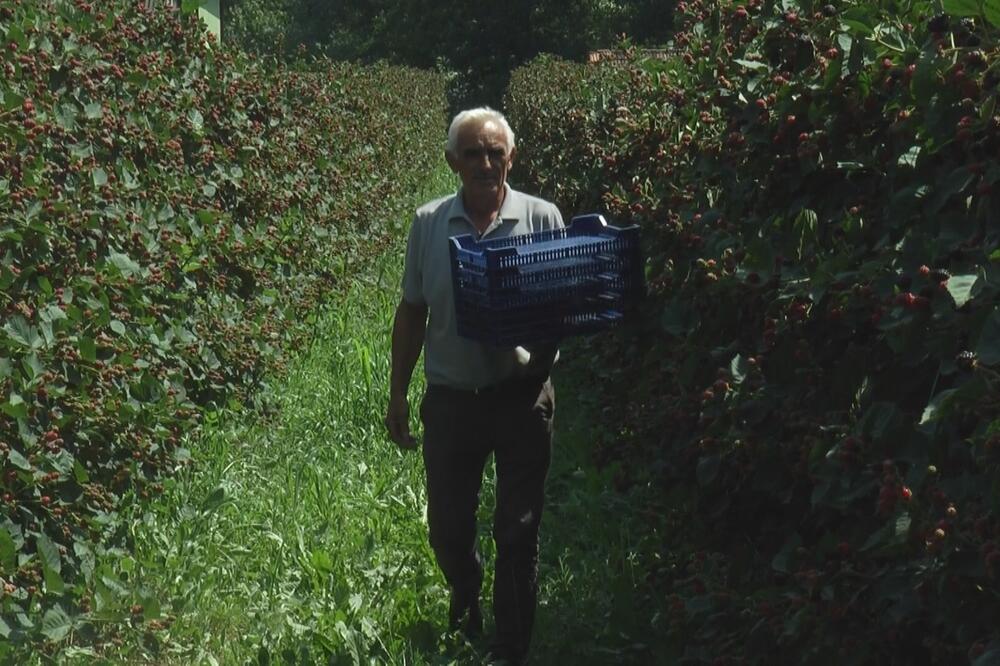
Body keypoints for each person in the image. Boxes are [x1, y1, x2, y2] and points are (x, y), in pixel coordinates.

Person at [384, 106, 563, 665]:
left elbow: (564, 305)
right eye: (473, 153)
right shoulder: (429, 223)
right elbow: (412, 311)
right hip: (452, 399)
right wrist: (397, 394)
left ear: (511, 157)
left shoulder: (542, 218)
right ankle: (465, 584)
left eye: (495, 152)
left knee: (518, 530)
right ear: (452, 161)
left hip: (520, 396)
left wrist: (541, 350)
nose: (485, 163)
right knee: (448, 528)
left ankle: (509, 650)